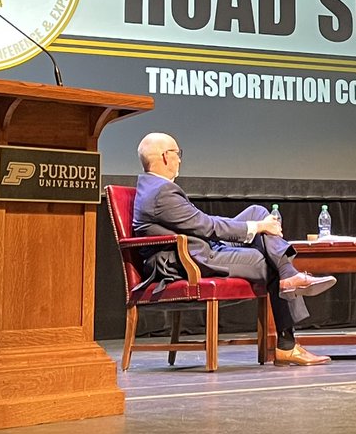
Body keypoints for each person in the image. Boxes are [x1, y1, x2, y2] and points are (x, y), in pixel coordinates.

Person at [132, 132, 338, 366]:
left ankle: (289, 276)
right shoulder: (161, 192)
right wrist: (257, 228)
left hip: (199, 247)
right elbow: (206, 225)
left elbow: (201, 222)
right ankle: (287, 344)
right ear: (166, 157)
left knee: (257, 211)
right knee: (267, 261)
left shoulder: (154, 187)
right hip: (190, 258)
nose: (180, 160)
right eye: (178, 154)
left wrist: (256, 224)